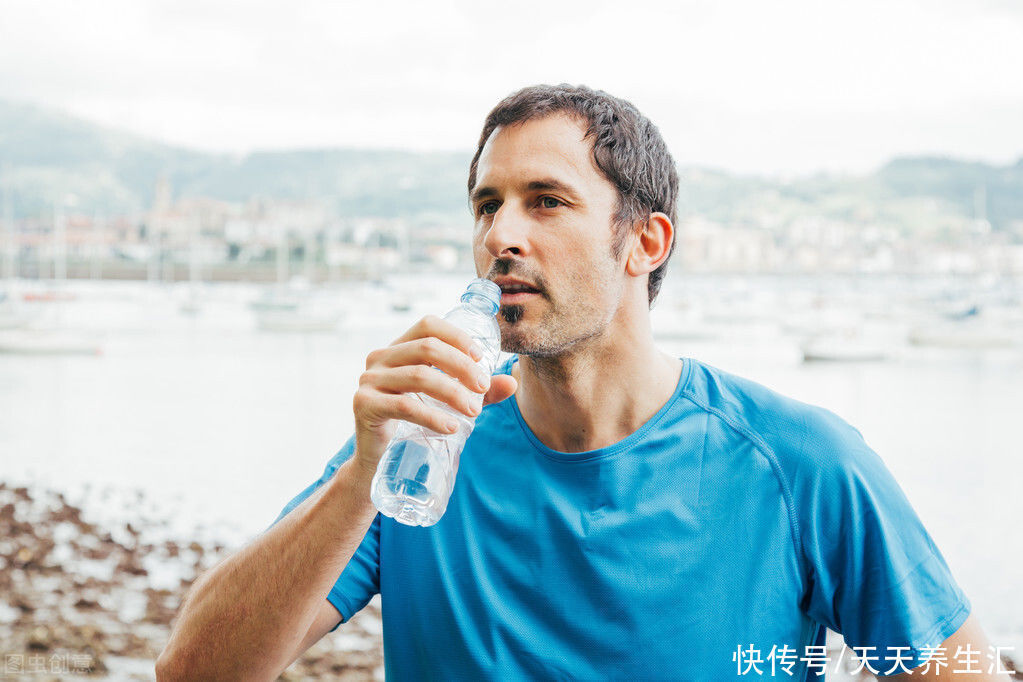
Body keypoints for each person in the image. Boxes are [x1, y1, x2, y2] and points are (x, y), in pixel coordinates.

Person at [157, 85, 997, 681]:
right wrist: (358, 476)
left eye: (546, 201)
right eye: (487, 205)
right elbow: (194, 673)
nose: (500, 235)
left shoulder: (800, 461)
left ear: (645, 243)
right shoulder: (416, 447)